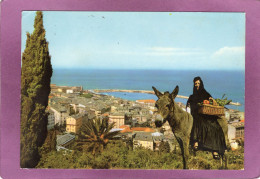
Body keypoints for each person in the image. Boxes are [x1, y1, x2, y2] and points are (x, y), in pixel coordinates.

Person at [186, 76, 227, 159]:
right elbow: (188, 108)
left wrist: (213, 101)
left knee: (216, 127)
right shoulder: (192, 97)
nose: (197, 85)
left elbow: (212, 104)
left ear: (201, 84)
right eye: (196, 84)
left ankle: (215, 150)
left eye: (198, 83)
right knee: (199, 123)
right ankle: (196, 142)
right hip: (197, 115)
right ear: (194, 85)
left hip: (207, 115)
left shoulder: (206, 94)